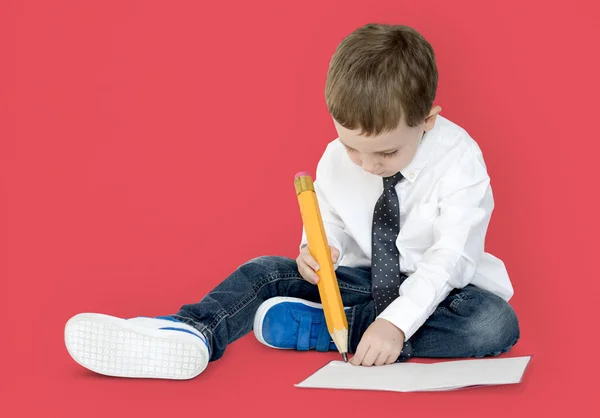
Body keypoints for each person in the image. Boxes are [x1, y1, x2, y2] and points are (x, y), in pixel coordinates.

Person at [64, 23, 519, 380]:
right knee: (263, 271)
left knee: (493, 324)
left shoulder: (460, 160)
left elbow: (450, 258)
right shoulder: (336, 158)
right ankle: (193, 332)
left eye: (386, 153)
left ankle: (333, 329)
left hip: (443, 294)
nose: (366, 164)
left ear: (428, 120)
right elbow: (329, 217)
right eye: (352, 147)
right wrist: (317, 251)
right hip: (359, 284)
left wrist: (396, 325)